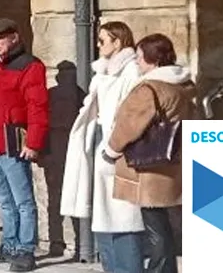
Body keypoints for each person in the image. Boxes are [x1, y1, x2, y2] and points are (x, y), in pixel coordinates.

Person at [103, 34, 195, 273]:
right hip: (173, 162)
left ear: (152, 60)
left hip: (149, 168)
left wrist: (110, 150)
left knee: (155, 227)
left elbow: (128, 125)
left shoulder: (149, 88)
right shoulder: (184, 85)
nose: (137, 62)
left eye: (140, 57)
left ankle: (160, 270)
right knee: (168, 224)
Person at [61, 22, 144, 272]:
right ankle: (111, 266)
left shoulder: (131, 71)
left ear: (117, 42)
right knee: (102, 215)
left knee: (123, 217)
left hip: (118, 148)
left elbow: (133, 114)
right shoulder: (102, 72)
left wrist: (114, 146)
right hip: (97, 144)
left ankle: (128, 268)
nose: (98, 45)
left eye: (102, 40)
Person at [0, 18, 49, 272]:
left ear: (15, 37)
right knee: (5, 200)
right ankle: (9, 245)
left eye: (1, 38)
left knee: (23, 201)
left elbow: (37, 107)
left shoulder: (30, 66)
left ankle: (26, 250)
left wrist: (33, 142)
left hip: (12, 143)